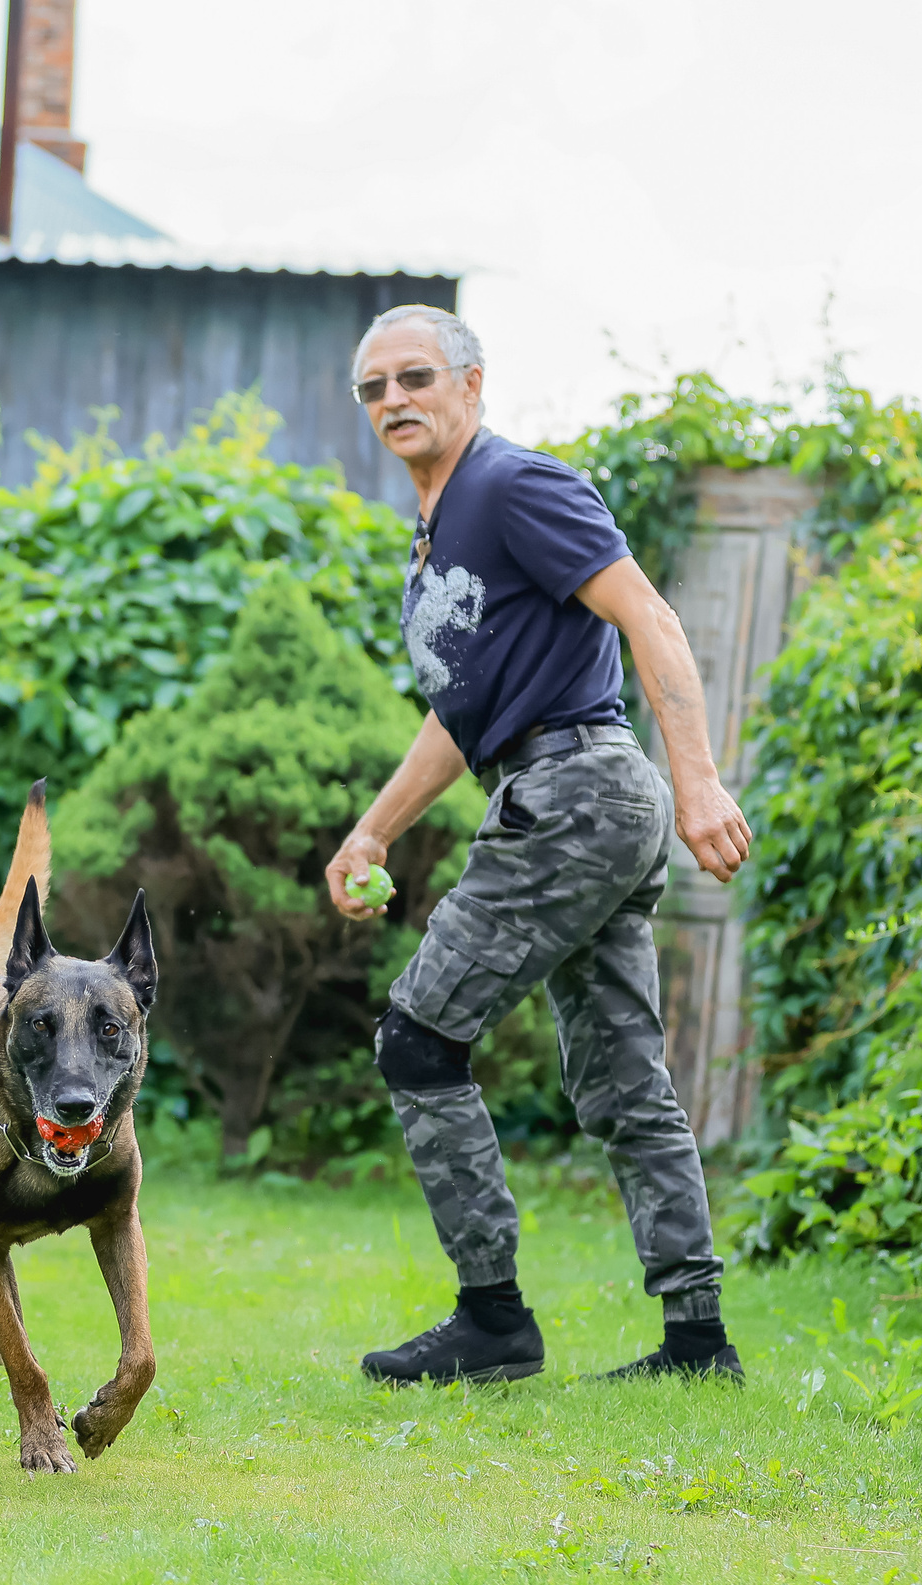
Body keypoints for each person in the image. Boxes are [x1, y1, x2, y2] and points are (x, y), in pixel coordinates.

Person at [325, 305, 748, 1385]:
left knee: (418, 1040)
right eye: (373, 389)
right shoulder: (436, 531)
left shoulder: (514, 485)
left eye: (414, 377)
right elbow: (460, 712)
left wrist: (697, 781)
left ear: (471, 383)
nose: (393, 402)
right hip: (570, 790)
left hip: (573, 791)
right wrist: (374, 826)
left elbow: (646, 617)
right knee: (621, 1075)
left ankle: (492, 1321)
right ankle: (696, 1342)